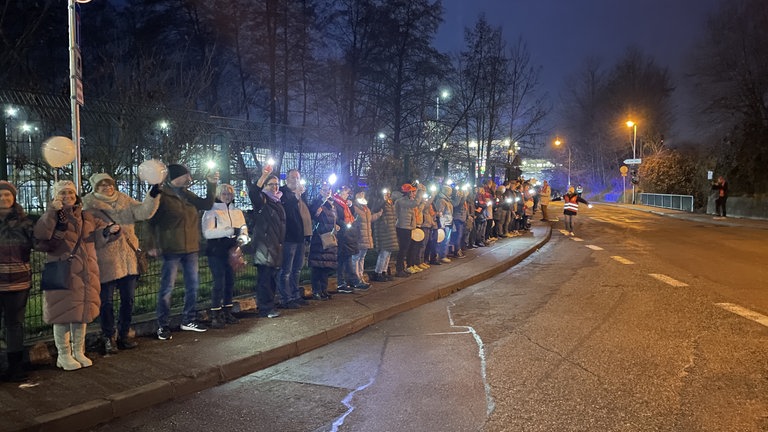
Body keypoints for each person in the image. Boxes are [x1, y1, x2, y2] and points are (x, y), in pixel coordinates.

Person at [35, 180, 121, 371]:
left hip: (85, 272)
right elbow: (41, 234)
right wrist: (51, 211)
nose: (67, 197)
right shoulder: (52, 215)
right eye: (63, 193)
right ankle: (63, 355)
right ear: (56, 196)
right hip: (62, 270)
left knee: (81, 313)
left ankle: (78, 351)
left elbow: (98, 236)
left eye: (70, 193)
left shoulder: (86, 216)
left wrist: (109, 230)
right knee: (62, 314)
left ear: (76, 196)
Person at [82, 173, 160, 354]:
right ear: (95, 187)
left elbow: (143, 212)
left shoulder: (123, 199)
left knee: (128, 299)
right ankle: (108, 337)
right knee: (106, 302)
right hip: (105, 259)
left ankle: (124, 334)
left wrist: (153, 193)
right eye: (102, 185)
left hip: (128, 257)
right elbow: (88, 235)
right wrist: (106, 232)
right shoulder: (89, 206)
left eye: (109, 184)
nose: (108, 188)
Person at [148, 164, 217, 340]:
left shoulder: (187, 194)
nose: (190, 179)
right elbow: (150, 221)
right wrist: (152, 244)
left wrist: (211, 184)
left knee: (192, 286)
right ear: (177, 177)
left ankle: (189, 320)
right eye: (187, 176)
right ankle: (162, 325)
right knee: (167, 289)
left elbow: (207, 204)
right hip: (171, 248)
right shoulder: (162, 195)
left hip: (191, 248)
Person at [0, 181, 35, 382]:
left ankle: (15, 366)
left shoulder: (25, 221)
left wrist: (59, 224)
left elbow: (40, 243)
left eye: (7, 195)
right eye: (0, 196)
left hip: (18, 282)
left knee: (15, 325)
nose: (4, 199)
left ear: (13, 198)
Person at [201, 183, 248, 328]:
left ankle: (227, 311)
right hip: (216, 251)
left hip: (232, 251)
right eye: (224, 194)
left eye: (230, 194)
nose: (227, 197)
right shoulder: (211, 211)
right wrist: (229, 231)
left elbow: (243, 228)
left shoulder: (237, 212)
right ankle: (216, 314)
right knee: (218, 282)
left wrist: (243, 237)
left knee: (229, 282)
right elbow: (207, 233)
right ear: (218, 195)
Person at [247, 165, 286, 318]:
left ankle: (269, 306)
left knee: (271, 277)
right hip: (264, 245)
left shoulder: (277, 201)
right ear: (265, 186)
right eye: (271, 184)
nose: (275, 187)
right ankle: (265, 308)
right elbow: (253, 192)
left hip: (275, 245)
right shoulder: (262, 200)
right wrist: (264, 175)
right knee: (265, 278)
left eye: (277, 184)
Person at [277, 169, 313, 309]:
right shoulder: (282, 193)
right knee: (286, 270)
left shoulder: (300, 195)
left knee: (297, 269)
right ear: (287, 179)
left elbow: (305, 212)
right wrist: (297, 195)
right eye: (293, 177)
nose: (295, 180)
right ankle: (285, 298)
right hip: (288, 237)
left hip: (300, 237)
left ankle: (295, 294)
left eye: (297, 177)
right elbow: (288, 209)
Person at [308, 182, 338, 300]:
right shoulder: (318, 202)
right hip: (320, 238)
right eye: (324, 190)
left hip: (329, 237)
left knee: (325, 267)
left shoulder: (331, 205)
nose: (327, 192)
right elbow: (314, 213)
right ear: (320, 191)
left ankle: (323, 289)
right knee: (318, 267)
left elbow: (335, 219)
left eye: (328, 190)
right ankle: (316, 290)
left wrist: (337, 227)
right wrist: (322, 200)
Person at [351, 191, 381, 285]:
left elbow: (369, 219)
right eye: (360, 195)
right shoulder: (355, 209)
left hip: (366, 237)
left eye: (363, 195)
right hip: (359, 237)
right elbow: (353, 223)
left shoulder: (366, 209)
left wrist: (379, 214)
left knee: (362, 258)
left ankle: (361, 276)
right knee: (356, 258)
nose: (362, 196)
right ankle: (356, 278)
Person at [394, 183, 422, 277]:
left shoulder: (406, 201)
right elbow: (415, 203)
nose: (414, 193)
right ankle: (399, 269)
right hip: (403, 227)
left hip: (407, 227)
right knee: (403, 249)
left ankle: (402, 268)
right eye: (412, 191)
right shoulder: (402, 201)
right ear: (408, 192)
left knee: (405, 249)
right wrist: (420, 192)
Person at [371, 188, 397, 281]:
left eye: (389, 193)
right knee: (383, 253)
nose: (388, 195)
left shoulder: (390, 203)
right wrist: (383, 200)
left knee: (388, 253)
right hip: (383, 231)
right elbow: (375, 209)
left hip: (390, 231)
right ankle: (378, 272)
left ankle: (384, 271)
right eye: (386, 193)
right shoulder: (379, 201)